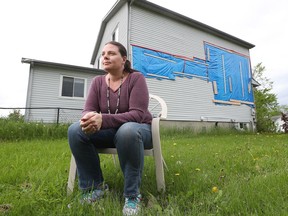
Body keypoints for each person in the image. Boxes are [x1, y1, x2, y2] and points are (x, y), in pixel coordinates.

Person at [68, 41, 153, 215]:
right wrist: (89, 120)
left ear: (123, 59)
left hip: (139, 130)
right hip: (111, 131)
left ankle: (132, 195)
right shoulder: (97, 81)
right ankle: (94, 189)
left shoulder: (136, 78)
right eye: (103, 53)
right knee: (75, 130)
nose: (105, 56)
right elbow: (88, 109)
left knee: (127, 130)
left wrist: (103, 120)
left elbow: (137, 114)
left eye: (111, 53)